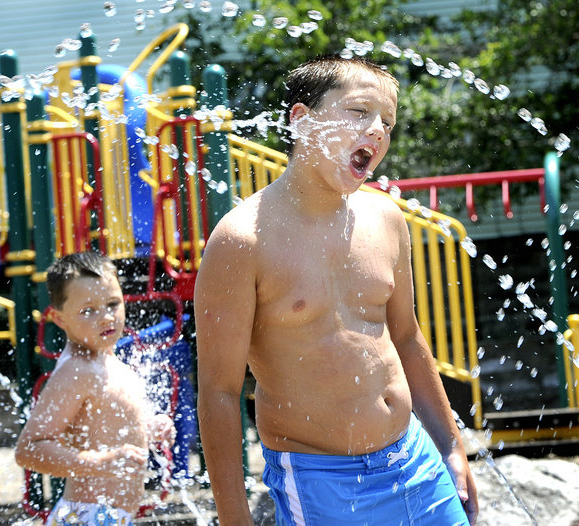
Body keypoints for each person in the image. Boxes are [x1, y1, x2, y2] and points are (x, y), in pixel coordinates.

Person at [195, 55, 479, 526]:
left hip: (413, 459)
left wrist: (450, 445)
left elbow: (407, 338)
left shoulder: (386, 219)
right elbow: (219, 392)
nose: (377, 130)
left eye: (387, 122)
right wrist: (233, 518)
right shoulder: (242, 241)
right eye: (358, 112)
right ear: (303, 121)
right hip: (321, 479)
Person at [15, 252, 175, 526]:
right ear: (60, 319)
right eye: (88, 310)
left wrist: (145, 430)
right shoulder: (76, 370)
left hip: (111, 517)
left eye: (112, 304)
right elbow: (28, 449)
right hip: (87, 516)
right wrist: (101, 463)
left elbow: (104, 430)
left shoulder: (108, 362)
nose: (105, 318)